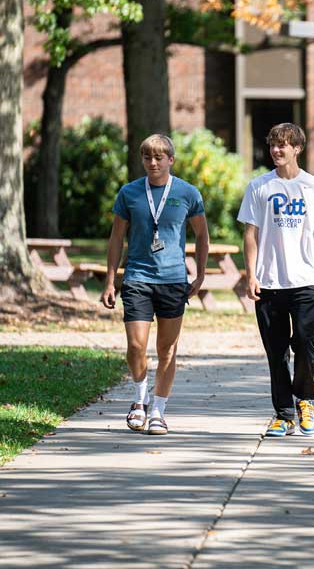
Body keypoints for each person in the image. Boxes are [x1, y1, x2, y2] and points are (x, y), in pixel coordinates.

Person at [238, 123, 314, 438]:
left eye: (283, 145)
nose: (276, 150)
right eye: (272, 145)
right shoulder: (259, 187)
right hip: (269, 284)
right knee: (277, 351)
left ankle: (306, 401)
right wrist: (251, 274)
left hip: (306, 282)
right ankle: (283, 414)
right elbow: (251, 234)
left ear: (298, 148)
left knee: (305, 344)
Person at [101, 134, 208, 436]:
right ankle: (139, 399)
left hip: (173, 280)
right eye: (148, 157)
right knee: (136, 345)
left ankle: (159, 409)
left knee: (167, 349)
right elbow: (116, 238)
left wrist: (199, 274)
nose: (153, 162)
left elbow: (201, 235)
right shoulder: (129, 193)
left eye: (160, 157)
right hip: (137, 277)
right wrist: (111, 281)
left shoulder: (188, 193)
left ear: (171, 160)